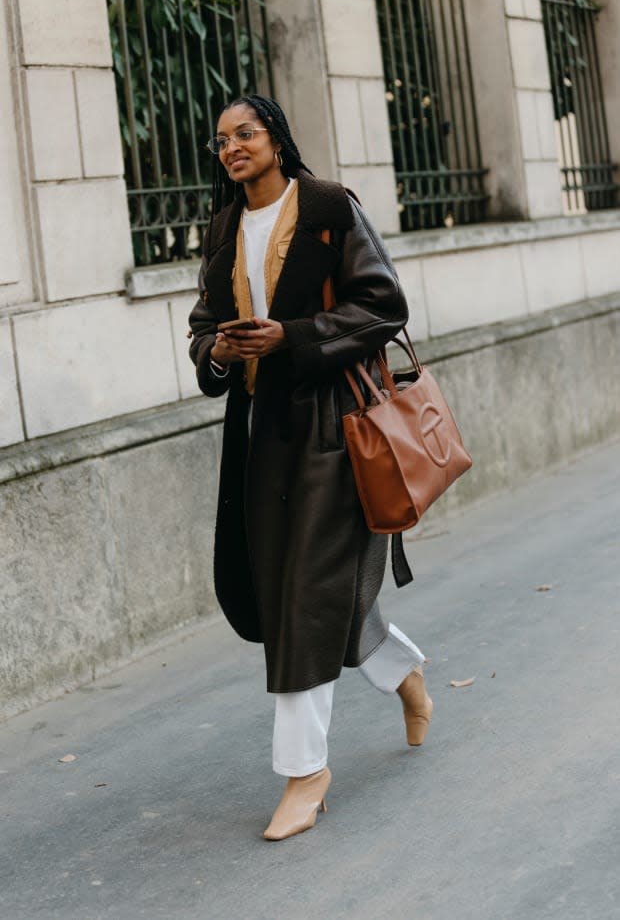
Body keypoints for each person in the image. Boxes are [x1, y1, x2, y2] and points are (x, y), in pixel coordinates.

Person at [188, 95, 432, 841]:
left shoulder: (328, 207)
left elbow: (383, 305)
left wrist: (290, 336)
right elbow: (203, 324)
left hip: (335, 428)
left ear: (276, 138)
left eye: (246, 133)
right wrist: (221, 351)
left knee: (303, 595)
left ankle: (305, 772)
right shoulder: (226, 226)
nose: (233, 147)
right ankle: (404, 673)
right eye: (221, 139)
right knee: (292, 589)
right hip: (264, 434)